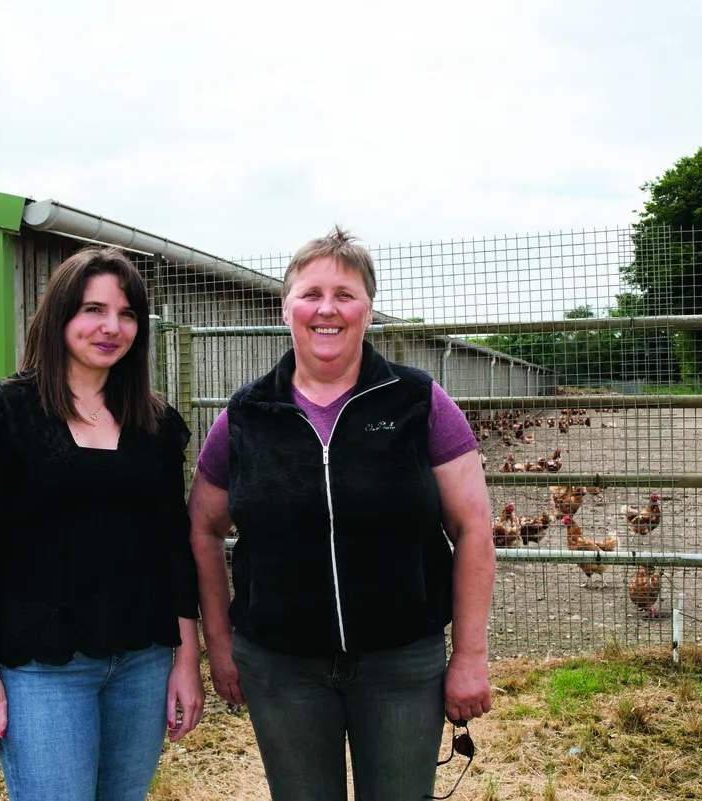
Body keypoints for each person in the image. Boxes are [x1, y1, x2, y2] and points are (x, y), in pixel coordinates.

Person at [188, 226, 495, 800]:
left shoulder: (420, 402)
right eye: (310, 294)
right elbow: (203, 529)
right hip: (281, 667)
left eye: (345, 294)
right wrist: (221, 643)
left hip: (403, 663)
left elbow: (473, 527)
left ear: (369, 311)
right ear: (286, 309)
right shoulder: (246, 416)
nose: (327, 309)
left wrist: (470, 655)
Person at [0, 246, 203, 801]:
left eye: (127, 314)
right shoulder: (4, 414)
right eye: (93, 310)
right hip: (42, 668)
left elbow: (173, 547)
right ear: (59, 318)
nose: (112, 327)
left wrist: (187, 660)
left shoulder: (155, 423)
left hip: (141, 662)